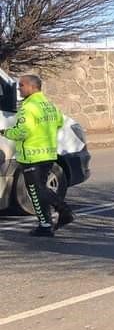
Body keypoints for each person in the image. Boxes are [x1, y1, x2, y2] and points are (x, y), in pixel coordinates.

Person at [1, 74, 74, 236]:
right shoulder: (49, 105)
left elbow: (22, 131)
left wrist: (5, 132)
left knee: (36, 191)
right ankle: (46, 225)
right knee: (39, 190)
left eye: (22, 85)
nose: (19, 89)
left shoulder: (28, 108)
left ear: (33, 87)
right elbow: (60, 122)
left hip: (32, 156)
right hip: (47, 154)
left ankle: (62, 211)